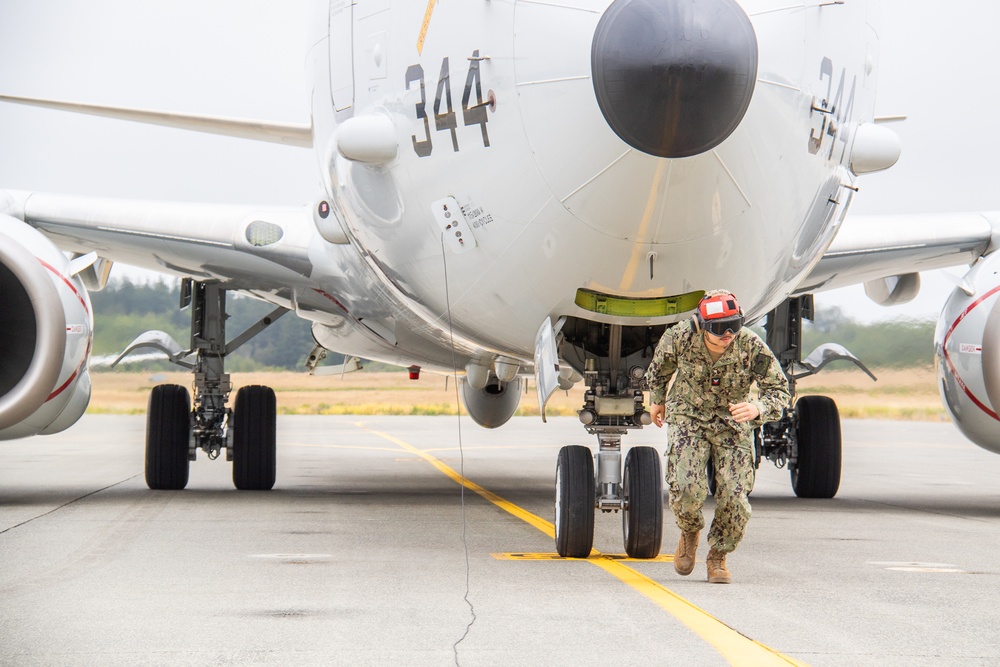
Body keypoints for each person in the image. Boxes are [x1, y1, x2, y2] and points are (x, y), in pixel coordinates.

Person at [644, 290, 790, 584]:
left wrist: (757, 408)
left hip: (732, 423)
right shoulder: (680, 338)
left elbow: (779, 391)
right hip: (689, 416)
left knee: (735, 499)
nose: (727, 335)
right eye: (718, 328)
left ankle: (718, 556)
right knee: (686, 487)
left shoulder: (750, 345)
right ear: (701, 326)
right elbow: (659, 369)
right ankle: (689, 532)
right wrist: (657, 399)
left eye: (733, 326)